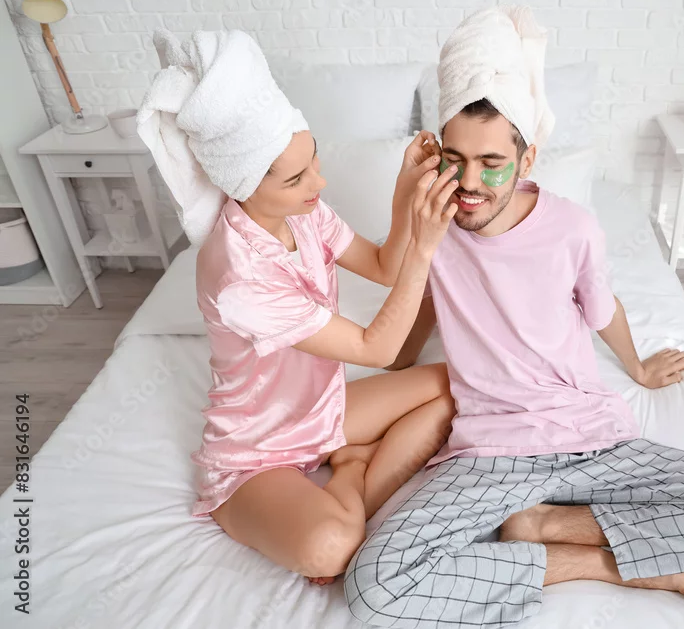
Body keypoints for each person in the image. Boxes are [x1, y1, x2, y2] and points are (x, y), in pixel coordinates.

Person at [345, 7, 684, 628]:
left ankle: (546, 525)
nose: (471, 182)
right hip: (491, 454)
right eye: (456, 159)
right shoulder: (434, 226)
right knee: (374, 584)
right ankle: (600, 562)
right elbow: (407, 325)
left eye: (491, 162)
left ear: (527, 159)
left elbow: (601, 307)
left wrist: (638, 368)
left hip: (593, 439)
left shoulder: (574, 228)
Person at [137, 29, 462, 585]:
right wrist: (426, 250)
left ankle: (348, 472)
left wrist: (405, 192)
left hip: (320, 413)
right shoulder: (238, 275)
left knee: (456, 385)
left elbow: (384, 266)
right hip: (255, 454)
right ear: (243, 184)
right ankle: (352, 472)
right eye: (296, 178)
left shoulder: (302, 212)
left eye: (314, 160)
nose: (319, 181)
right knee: (331, 549)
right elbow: (378, 349)